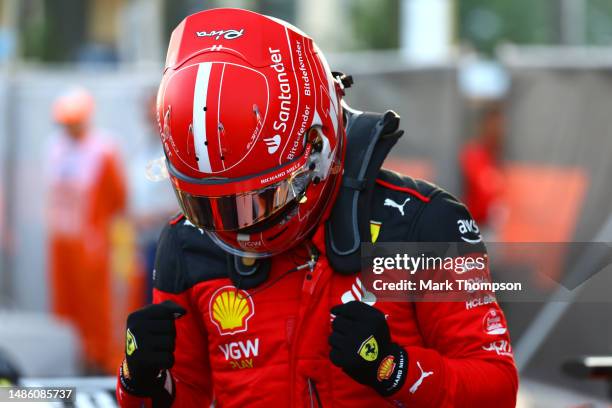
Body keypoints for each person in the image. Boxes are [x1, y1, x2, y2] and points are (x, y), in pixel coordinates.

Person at [116, 9, 518, 407]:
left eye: (256, 201)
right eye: (204, 206)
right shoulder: (186, 244)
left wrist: (394, 368)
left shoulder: (423, 224)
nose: (233, 227)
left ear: (317, 155)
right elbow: (182, 395)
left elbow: (496, 389)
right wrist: (140, 380)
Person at [46, 87, 127, 373]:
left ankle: (103, 360)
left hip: (91, 240)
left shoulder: (103, 150)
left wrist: (100, 231)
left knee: (97, 303)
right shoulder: (54, 147)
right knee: (65, 301)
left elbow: (118, 197)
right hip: (61, 239)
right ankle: (75, 355)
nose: (69, 128)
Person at [128, 92, 178, 303]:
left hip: (167, 240)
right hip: (145, 240)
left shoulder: (176, 149)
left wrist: (154, 216)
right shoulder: (144, 146)